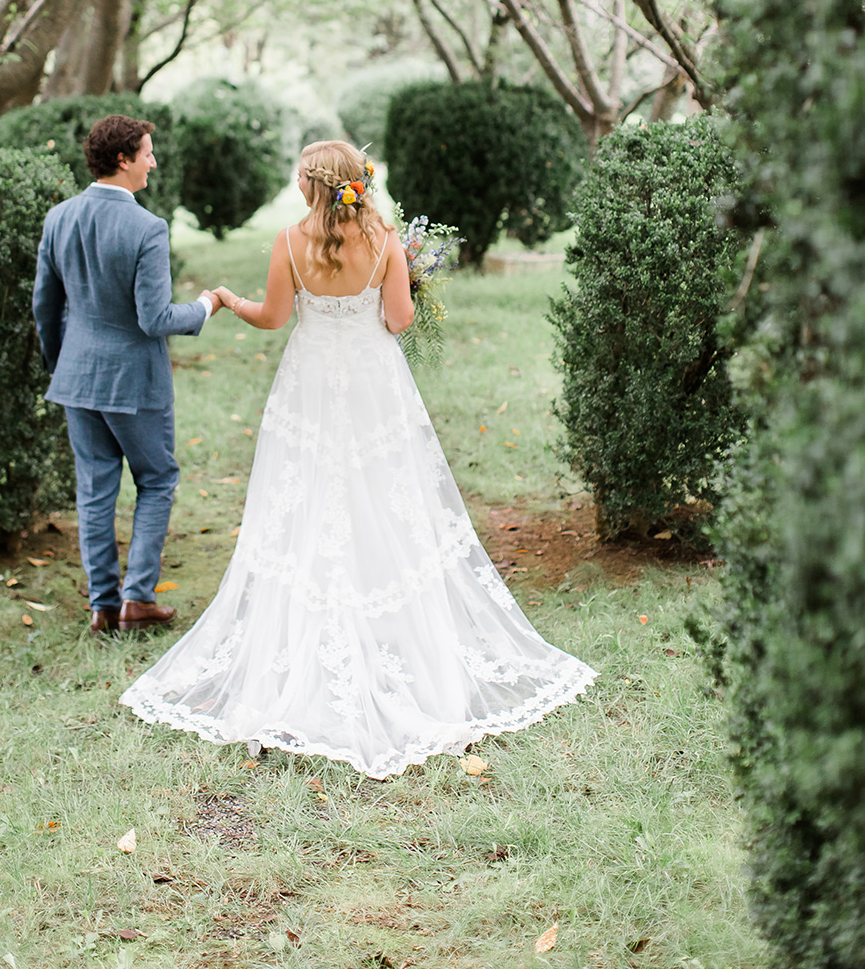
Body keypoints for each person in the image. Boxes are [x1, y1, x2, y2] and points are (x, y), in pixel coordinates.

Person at [120, 141, 595, 778]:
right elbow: (398, 321)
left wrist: (230, 302)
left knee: (309, 498)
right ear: (356, 184)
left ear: (313, 186)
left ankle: (311, 639)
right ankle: (392, 628)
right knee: (385, 498)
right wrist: (404, 285)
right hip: (375, 384)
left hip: (310, 384)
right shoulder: (387, 241)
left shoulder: (290, 242)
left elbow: (274, 318)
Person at [33, 114, 222, 636]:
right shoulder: (147, 227)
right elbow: (155, 319)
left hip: (77, 377)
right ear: (124, 159)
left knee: (94, 491)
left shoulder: (59, 218)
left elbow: (44, 307)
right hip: (133, 381)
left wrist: (61, 364)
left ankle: (102, 607)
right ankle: (137, 599)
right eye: (147, 152)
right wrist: (207, 305)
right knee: (157, 480)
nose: (153, 161)